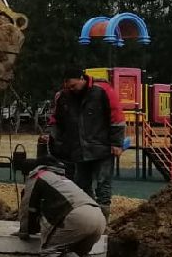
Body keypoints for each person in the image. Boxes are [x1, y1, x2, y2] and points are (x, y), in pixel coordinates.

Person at [17, 161, 106, 257]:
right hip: (98, 217)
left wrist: (24, 231)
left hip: (78, 217)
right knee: (79, 250)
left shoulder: (37, 176)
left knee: (51, 250)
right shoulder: (60, 178)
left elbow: (27, 208)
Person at [46, 66, 125, 216]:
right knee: (81, 185)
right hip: (78, 149)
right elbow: (56, 120)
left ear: (82, 79)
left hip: (102, 147)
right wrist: (53, 139)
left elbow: (117, 117)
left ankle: (102, 219)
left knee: (103, 185)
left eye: (73, 86)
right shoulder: (63, 96)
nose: (71, 89)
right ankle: (90, 215)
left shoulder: (103, 90)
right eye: (68, 87)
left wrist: (116, 143)